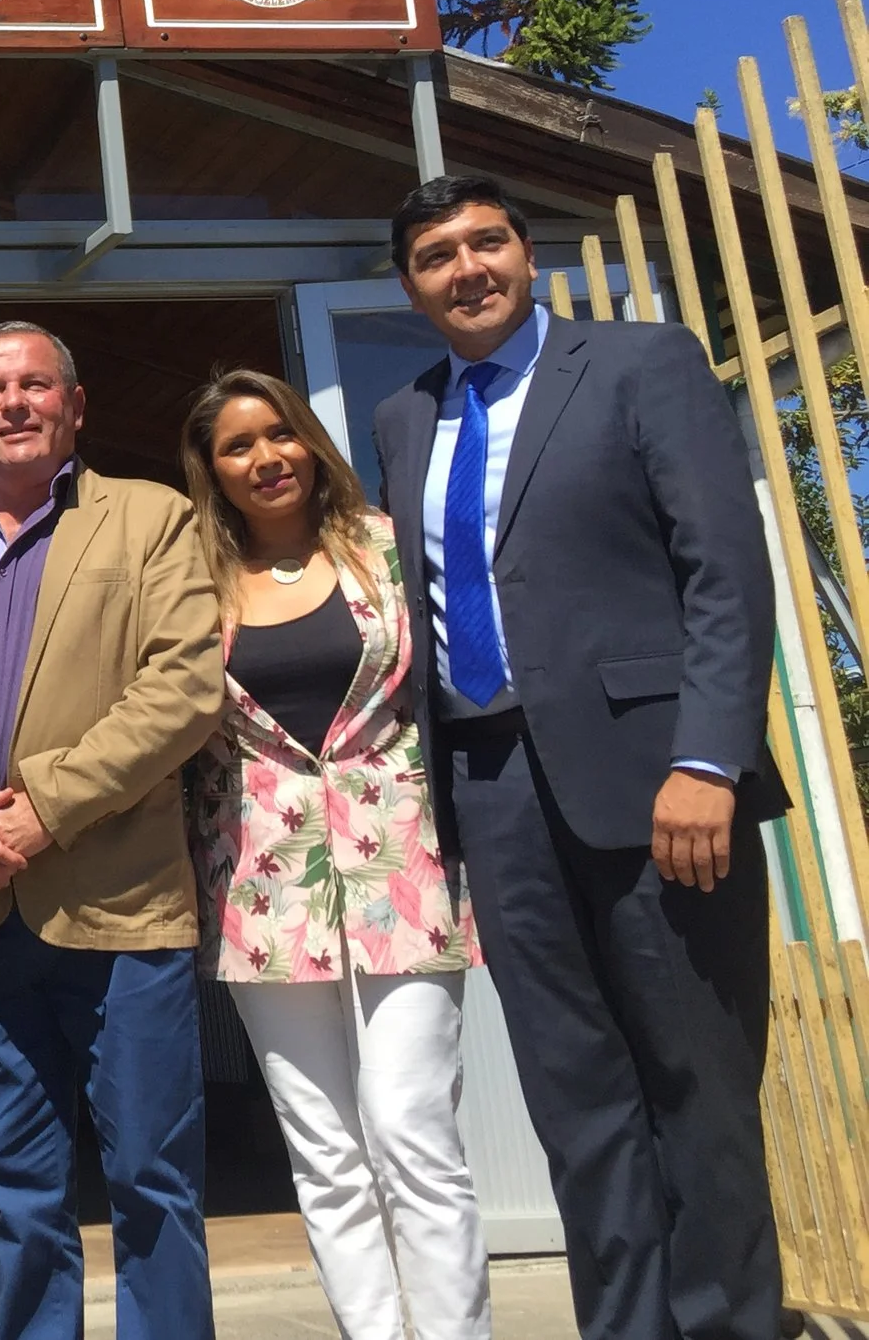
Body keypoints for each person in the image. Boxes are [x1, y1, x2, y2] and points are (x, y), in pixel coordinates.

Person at [374, 174, 788, 1340]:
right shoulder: (406, 416)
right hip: (490, 789)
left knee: (696, 1092)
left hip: (658, 785)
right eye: (437, 256)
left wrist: (705, 761)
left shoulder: (639, 364)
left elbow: (724, 573)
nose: (468, 269)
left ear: (525, 252)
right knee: (576, 1102)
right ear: (410, 287)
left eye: (487, 242)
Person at [0, 321, 222, 1340]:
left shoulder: (149, 520)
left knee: (151, 1178)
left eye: (36, 385)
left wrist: (44, 806)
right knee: (12, 1183)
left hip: (122, 905)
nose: (14, 403)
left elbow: (180, 690)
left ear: (74, 405)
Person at [179, 368, 488, 1340]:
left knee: (410, 1127)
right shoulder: (191, 587)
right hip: (260, 887)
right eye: (237, 445)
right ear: (211, 470)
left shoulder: (389, 552)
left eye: (278, 434)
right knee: (322, 1149)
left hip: (402, 861)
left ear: (308, 440)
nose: (264, 457)